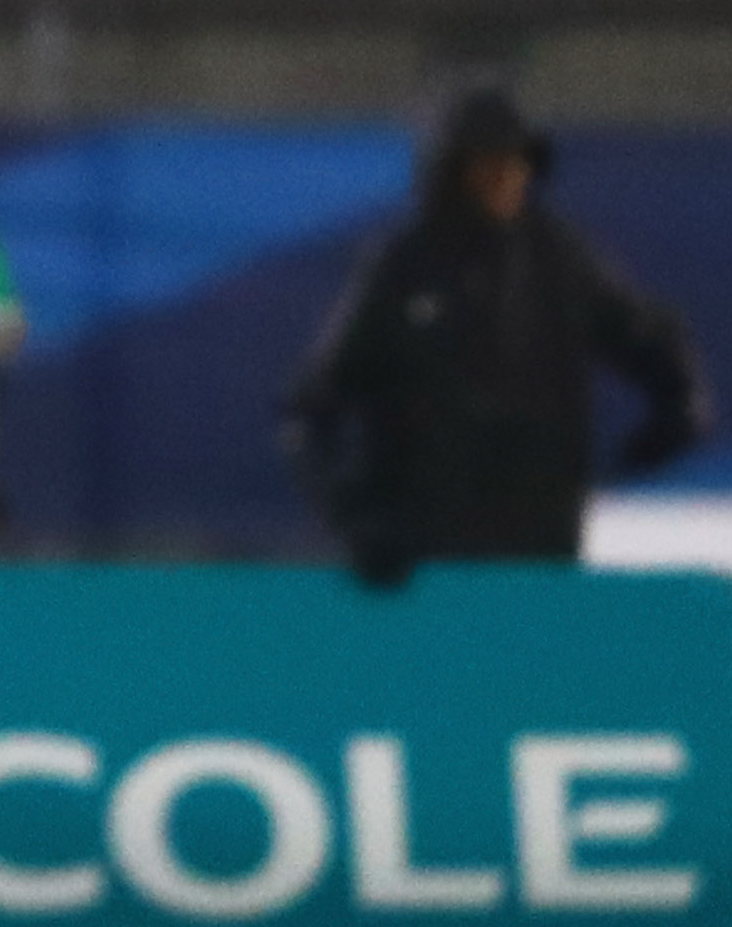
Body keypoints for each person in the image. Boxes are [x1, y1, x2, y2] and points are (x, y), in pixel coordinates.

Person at [287, 84, 707, 585]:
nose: (504, 180)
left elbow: (646, 338)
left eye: (514, 164)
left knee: (527, 659)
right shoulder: (404, 269)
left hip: (537, 551)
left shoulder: (557, 261)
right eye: (486, 165)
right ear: (453, 171)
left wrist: (676, 409)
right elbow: (312, 412)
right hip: (426, 561)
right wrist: (358, 519)